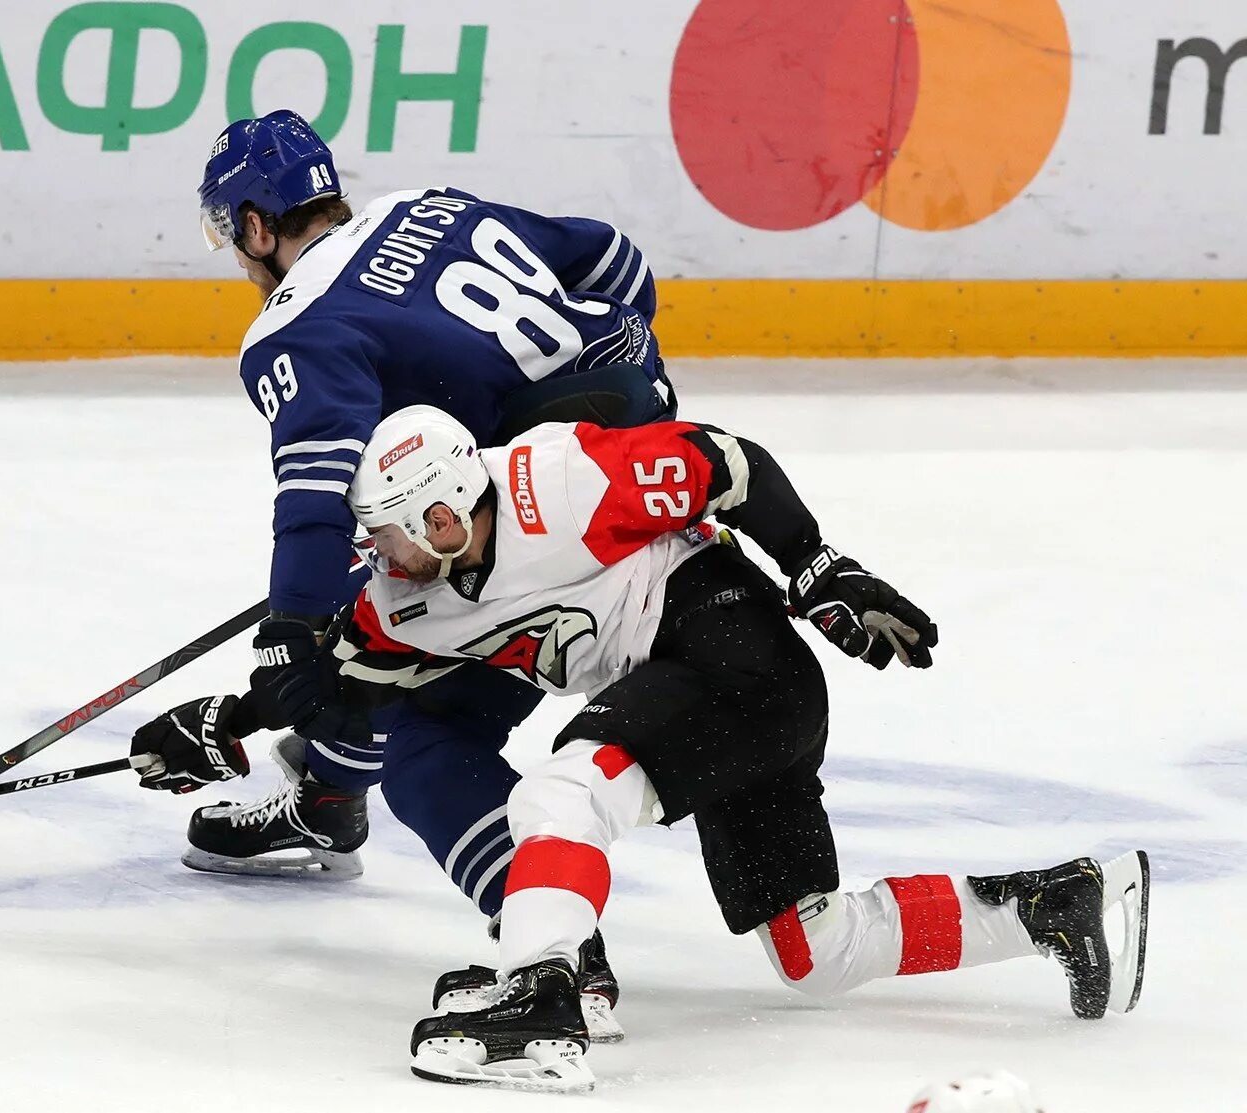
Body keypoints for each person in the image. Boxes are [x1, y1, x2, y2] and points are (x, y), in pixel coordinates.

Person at [137, 405, 1152, 1093]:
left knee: (559, 797)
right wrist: (218, 727)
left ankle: (544, 1003)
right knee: (814, 950)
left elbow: (724, 463)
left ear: (446, 511)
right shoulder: (409, 600)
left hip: (732, 653)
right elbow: (335, 687)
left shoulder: (556, 478)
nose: (380, 557)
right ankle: (1058, 903)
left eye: (394, 534)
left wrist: (814, 565)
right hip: (724, 706)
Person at [132, 107, 673, 1030]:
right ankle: (329, 796)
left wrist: (288, 640)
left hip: (544, 551)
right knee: (387, 595)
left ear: (258, 227)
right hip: (649, 475)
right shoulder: (427, 208)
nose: (236, 253)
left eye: (234, 234)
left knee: (413, 713)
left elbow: (311, 495)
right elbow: (614, 260)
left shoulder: (295, 328)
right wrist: (563, 413)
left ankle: (554, 955)